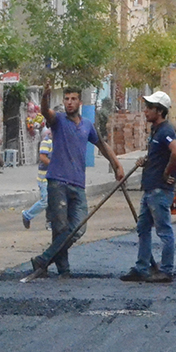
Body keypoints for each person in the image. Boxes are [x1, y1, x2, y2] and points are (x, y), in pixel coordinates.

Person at [26, 87, 125, 278]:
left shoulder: (87, 125)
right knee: (60, 228)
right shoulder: (58, 121)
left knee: (79, 227)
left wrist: (117, 166)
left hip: (78, 184)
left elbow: (102, 145)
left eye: (73, 99)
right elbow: (46, 112)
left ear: (80, 103)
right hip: (57, 182)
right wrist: (45, 98)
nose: (69, 102)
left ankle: (43, 259)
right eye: (67, 99)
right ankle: (64, 270)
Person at [122, 91, 176, 284]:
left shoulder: (166, 131)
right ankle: (142, 267)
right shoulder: (156, 131)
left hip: (159, 189)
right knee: (142, 228)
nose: (146, 111)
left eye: (149, 108)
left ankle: (165, 270)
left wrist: (166, 174)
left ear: (160, 111)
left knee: (163, 230)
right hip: (150, 189)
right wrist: (146, 160)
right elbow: (160, 154)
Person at [21, 128, 53, 229]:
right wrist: (55, 165)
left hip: (53, 176)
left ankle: (50, 222)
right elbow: (43, 157)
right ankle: (27, 215)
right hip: (44, 176)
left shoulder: (59, 141)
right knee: (45, 200)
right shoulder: (46, 142)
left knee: (53, 200)